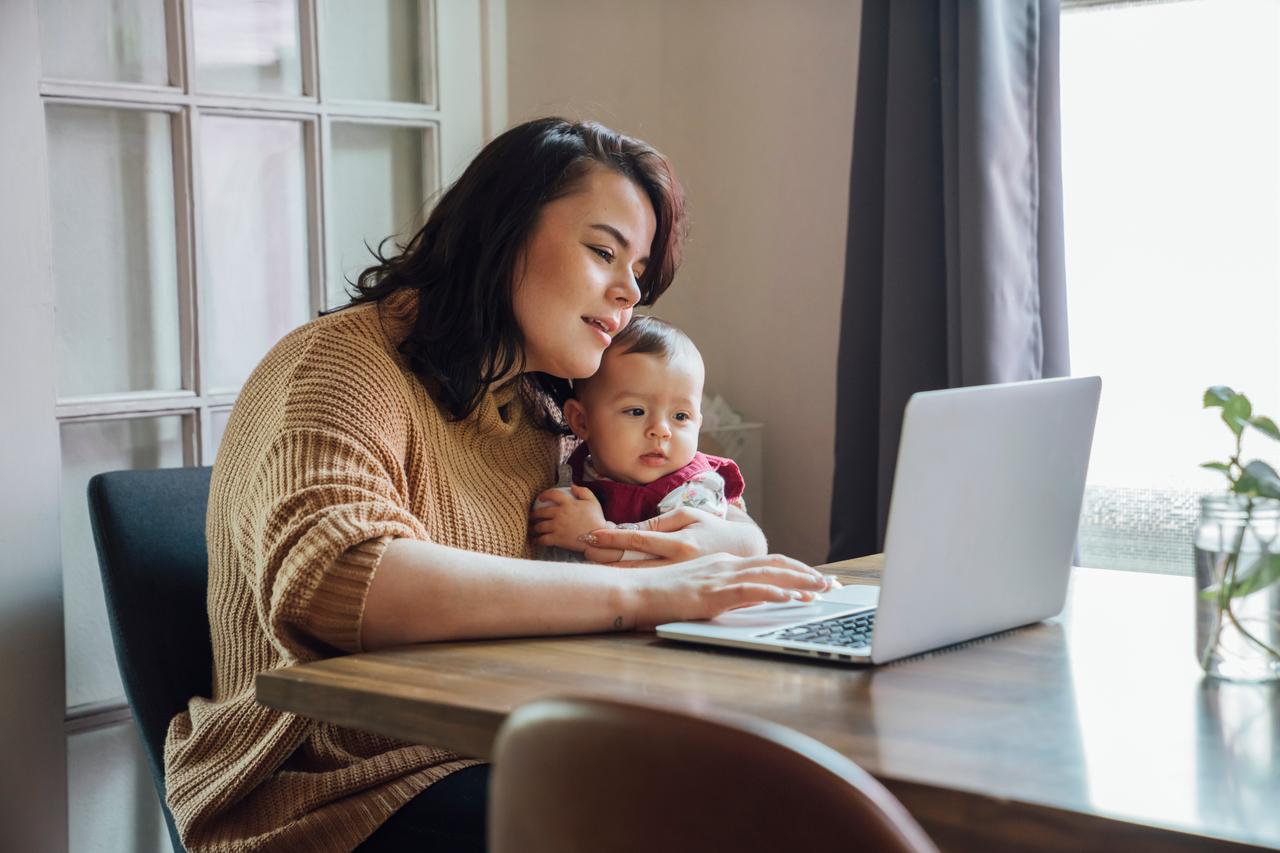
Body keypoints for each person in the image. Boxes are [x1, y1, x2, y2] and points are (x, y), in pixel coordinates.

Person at [163, 117, 830, 853]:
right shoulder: (340, 365)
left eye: (638, 269)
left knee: (775, 787)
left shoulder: (538, 410)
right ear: (502, 234)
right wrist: (651, 590)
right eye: (603, 251)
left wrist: (719, 540)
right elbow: (339, 577)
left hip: (499, 736)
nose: (627, 292)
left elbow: (713, 510)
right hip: (338, 785)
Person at [531, 315, 747, 563]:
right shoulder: (577, 474)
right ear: (581, 421)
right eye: (636, 411)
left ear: (698, 424)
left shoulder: (694, 490)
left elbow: (680, 557)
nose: (661, 430)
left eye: (680, 415)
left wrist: (594, 534)